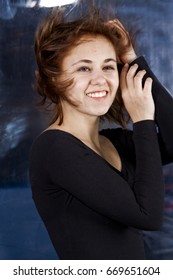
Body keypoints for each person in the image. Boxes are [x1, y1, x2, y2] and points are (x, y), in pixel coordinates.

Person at [29, 6, 173, 260]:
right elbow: (148, 215)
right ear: (54, 79)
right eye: (84, 69)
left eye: (108, 67)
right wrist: (142, 120)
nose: (101, 80)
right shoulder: (54, 148)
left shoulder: (113, 142)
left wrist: (134, 61)